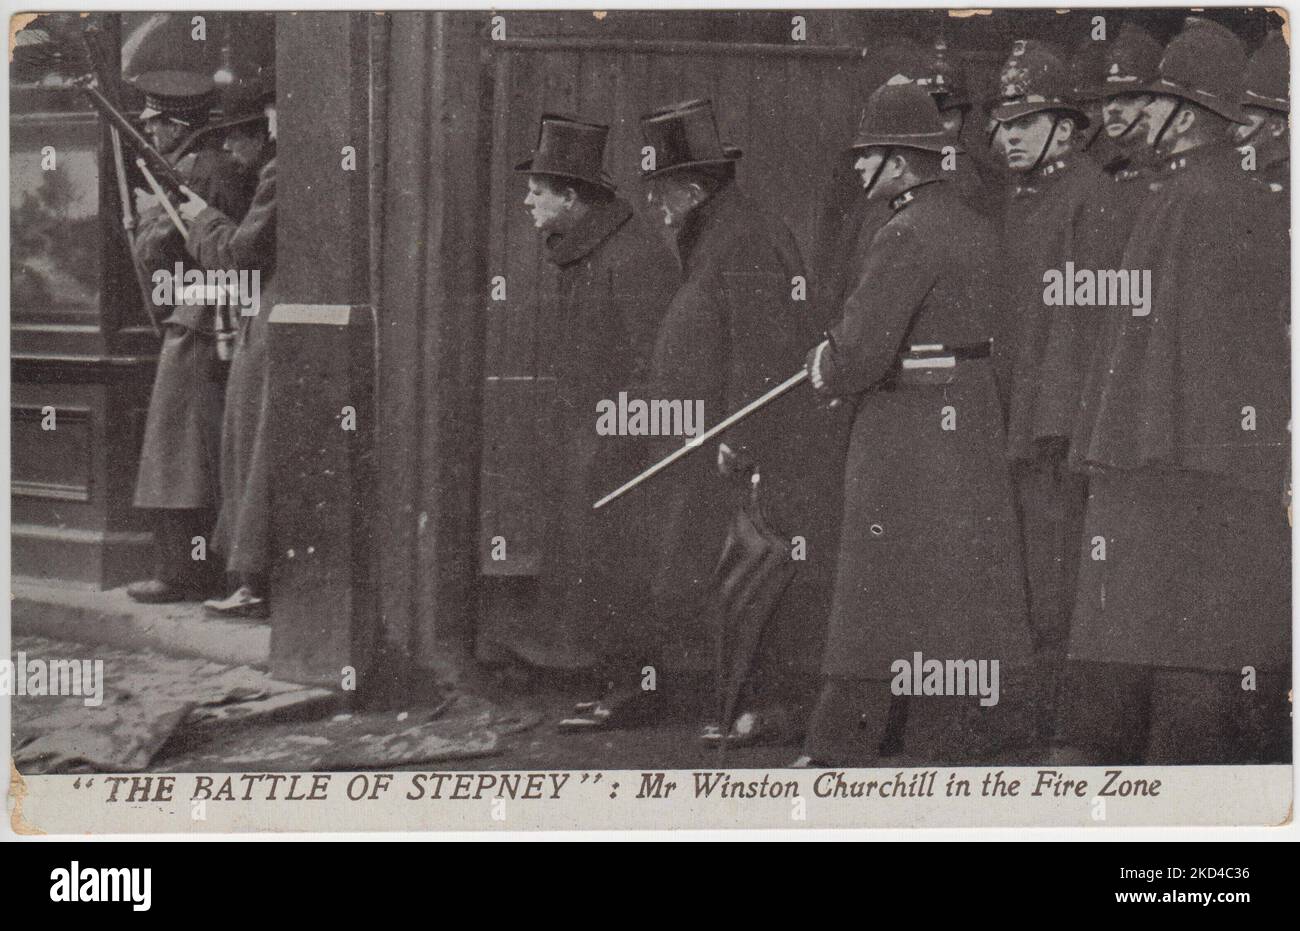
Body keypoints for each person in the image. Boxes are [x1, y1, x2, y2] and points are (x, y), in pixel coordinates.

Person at [560, 99, 837, 736]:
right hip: (701, 443)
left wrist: (741, 437)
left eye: (660, 193)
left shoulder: (743, 237)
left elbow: (765, 347)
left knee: (743, 574)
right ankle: (722, 702)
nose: (655, 207)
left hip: (733, 448)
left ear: (691, 189)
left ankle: (757, 709)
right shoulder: (718, 232)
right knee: (696, 573)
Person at [1060, 19, 1290, 764]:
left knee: (1166, 611)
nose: (1140, 113)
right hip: (1213, 450)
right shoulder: (1231, 194)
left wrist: (1138, 434)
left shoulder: (1189, 198)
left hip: (1173, 456)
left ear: (1186, 117)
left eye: (1156, 101)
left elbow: (1172, 342)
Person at [796, 78, 1034, 767]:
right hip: (971, 419)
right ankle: (947, 737)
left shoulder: (902, 232)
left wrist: (824, 365)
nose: (858, 169)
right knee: (955, 586)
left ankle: (842, 743)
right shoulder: (975, 223)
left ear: (899, 163)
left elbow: (858, 352)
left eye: (867, 156)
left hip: (904, 428)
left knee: (875, 588)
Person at [481, 114, 678, 696]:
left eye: (537, 191)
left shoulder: (631, 257)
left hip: (623, 440)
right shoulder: (588, 248)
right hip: (591, 432)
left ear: (571, 197)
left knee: (619, 560)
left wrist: (618, 439)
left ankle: (631, 687)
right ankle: (593, 671)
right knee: (585, 555)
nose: (527, 202)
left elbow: (657, 363)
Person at [989, 40, 1108, 739]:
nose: (1008, 137)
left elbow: (1081, 327)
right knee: (1035, 571)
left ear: (1064, 129)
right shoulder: (1027, 198)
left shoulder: (1088, 198)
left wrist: (1054, 426)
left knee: (1061, 574)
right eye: (1003, 125)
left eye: (1025, 124)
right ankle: (1040, 717)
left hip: (1059, 427)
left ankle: (1066, 726)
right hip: (1023, 414)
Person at [126, 70, 256, 604]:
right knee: (205, 450)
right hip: (219, 315)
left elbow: (156, 250)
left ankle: (182, 572)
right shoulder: (217, 166)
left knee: (180, 451)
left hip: (201, 319)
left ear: (174, 125)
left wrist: (145, 220)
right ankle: (211, 570)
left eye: (154, 122)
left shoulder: (194, 171)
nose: (149, 131)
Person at [176, 68, 278, 620]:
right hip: (271, 321)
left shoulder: (280, 170)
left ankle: (254, 581)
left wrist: (202, 219)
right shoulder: (285, 166)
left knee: (251, 452)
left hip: (269, 327)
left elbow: (240, 256)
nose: (232, 151)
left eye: (237, 137)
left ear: (263, 130)